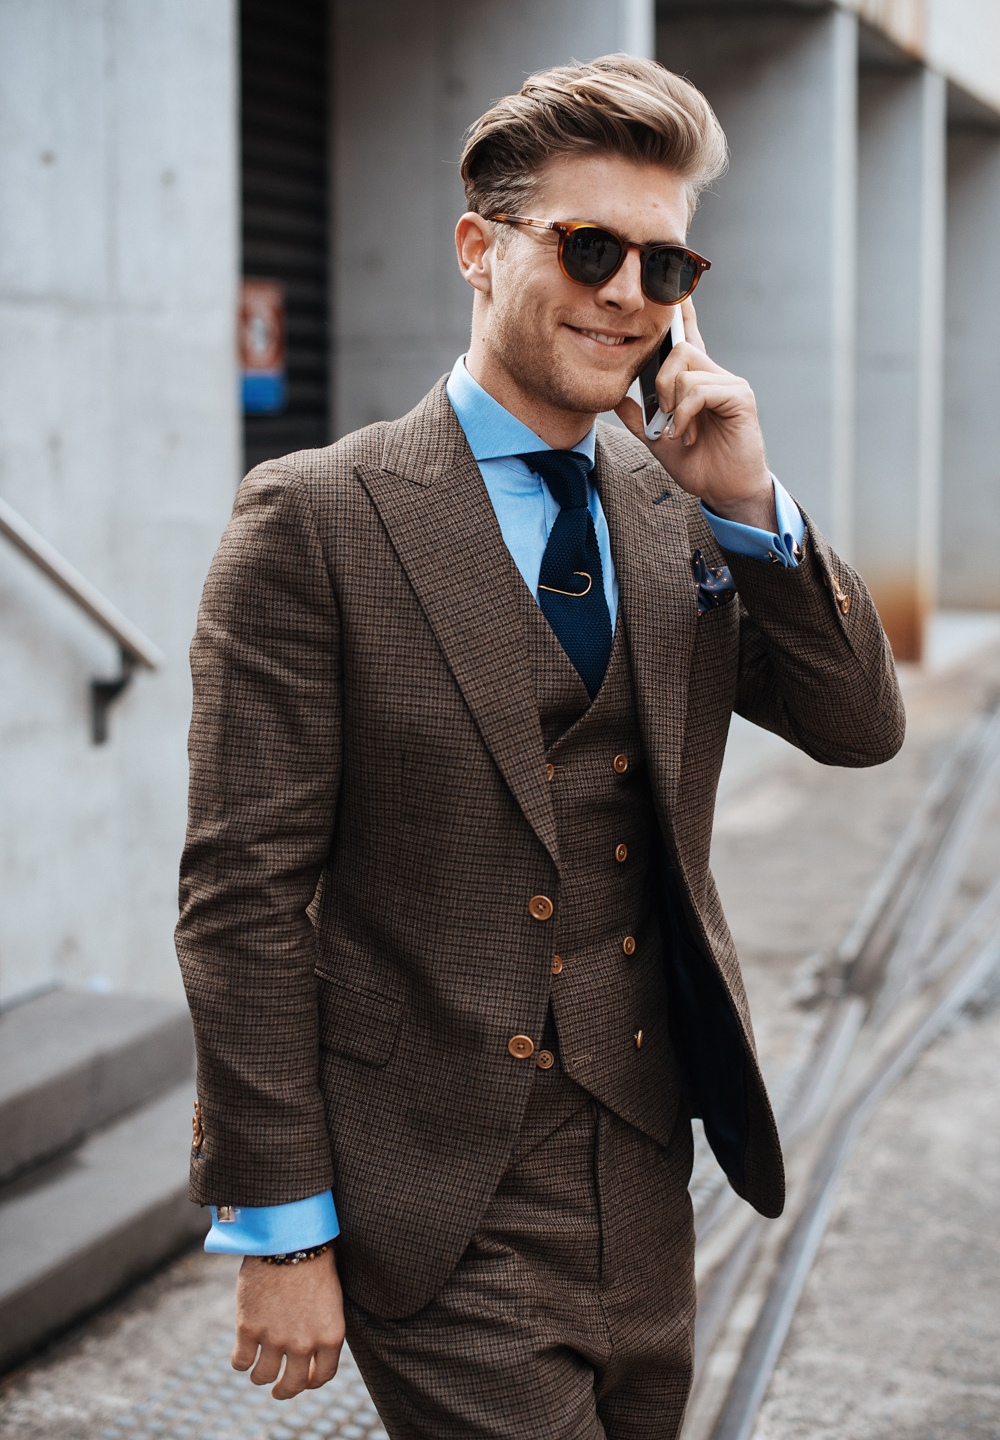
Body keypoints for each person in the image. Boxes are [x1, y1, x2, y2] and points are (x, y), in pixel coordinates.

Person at [176, 54, 904, 1440]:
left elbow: (859, 726)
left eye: (666, 264)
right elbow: (242, 899)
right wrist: (279, 1230)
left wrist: (750, 501)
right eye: (588, 247)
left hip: (650, 1161)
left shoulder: (674, 494)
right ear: (479, 247)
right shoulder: (316, 521)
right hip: (438, 1192)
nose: (629, 293)